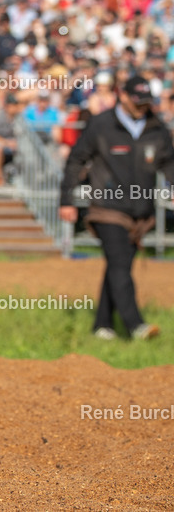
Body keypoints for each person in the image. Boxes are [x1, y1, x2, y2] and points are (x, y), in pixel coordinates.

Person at [59, 76, 174, 341]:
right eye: (137, 102)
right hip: (107, 208)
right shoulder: (101, 125)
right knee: (120, 262)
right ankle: (136, 326)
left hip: (140, 213)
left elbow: (169, 163)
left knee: (117, 265)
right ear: (122, 96)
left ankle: (102, 326)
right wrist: (66, 200)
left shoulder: (156, 127)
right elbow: (76, 161)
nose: (142, 107)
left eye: (146, 102)